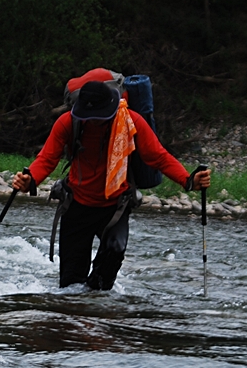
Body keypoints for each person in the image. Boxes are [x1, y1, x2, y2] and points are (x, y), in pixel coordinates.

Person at [12, 72, 212, 290]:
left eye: (100, 116)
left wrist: (188, 180)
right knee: (70, 285)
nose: (95, 120)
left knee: (108, 267)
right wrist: (29, 180)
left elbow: (158, 156)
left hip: (115, 208)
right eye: (90, 116)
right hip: (76, 206)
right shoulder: (67, 123)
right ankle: (75, 317)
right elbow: (47, 158)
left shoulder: (131, 122)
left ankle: (98, 310)